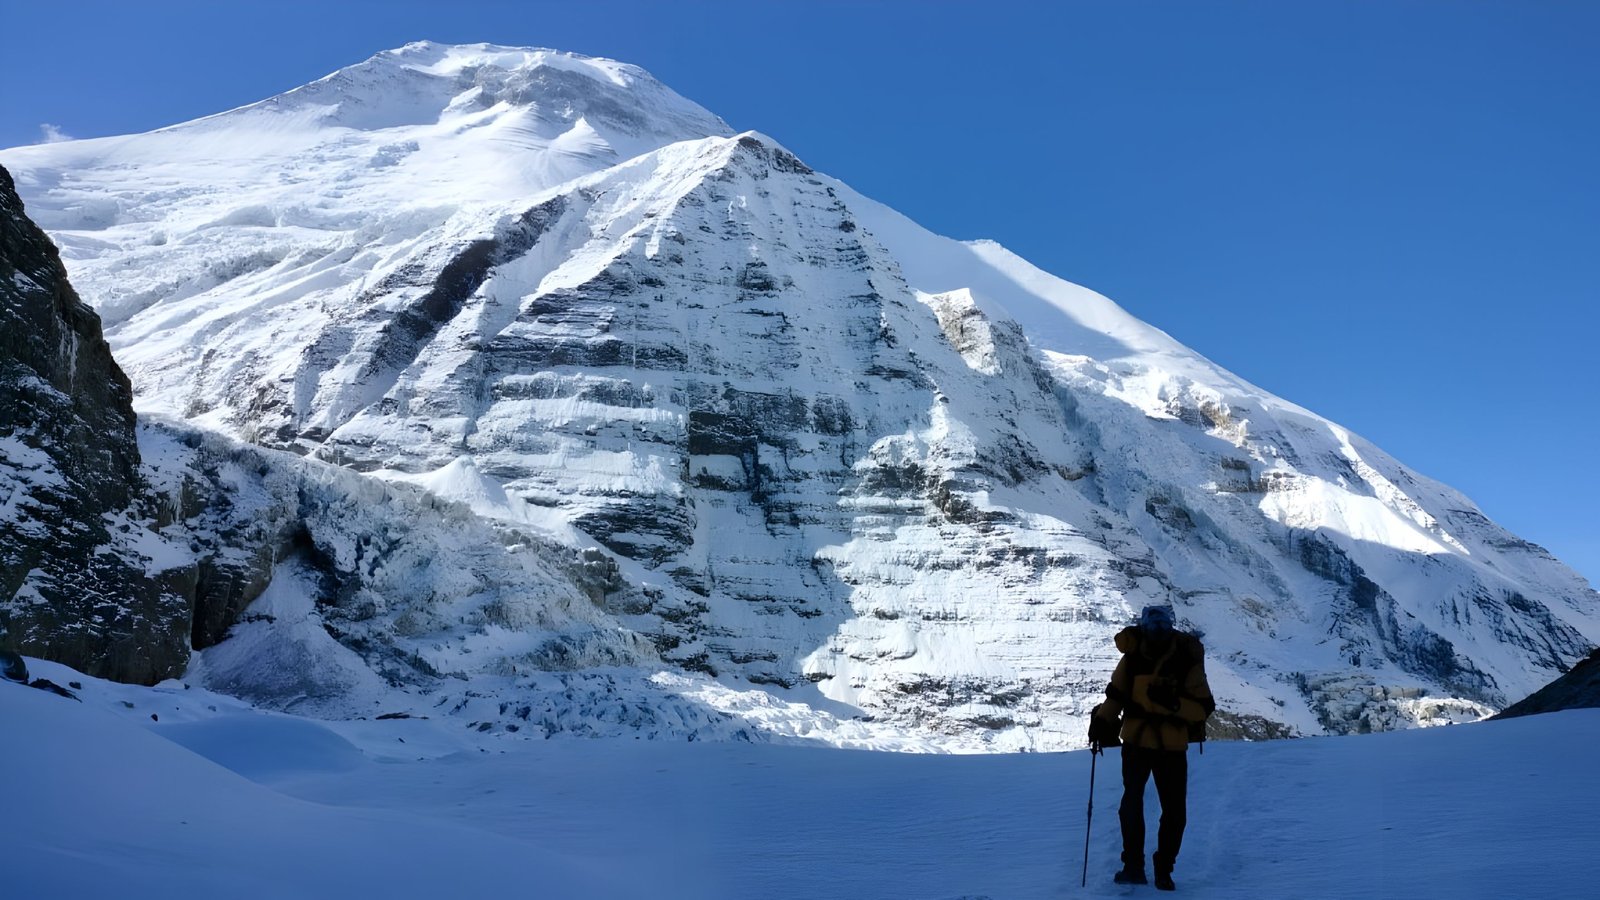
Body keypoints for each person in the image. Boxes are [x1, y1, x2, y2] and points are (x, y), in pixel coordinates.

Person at [1088, 604, 1215, 892]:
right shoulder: (1180, 658)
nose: (1158, 629)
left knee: (1135, 804)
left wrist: (1102, 722)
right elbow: (1202, 708)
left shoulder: (1139, 657)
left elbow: (1116, 697)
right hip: (1165, 745)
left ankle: (1135, 867)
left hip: (1138, 741)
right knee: (1170, 809)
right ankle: (1161, 870)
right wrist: (1175, 706)